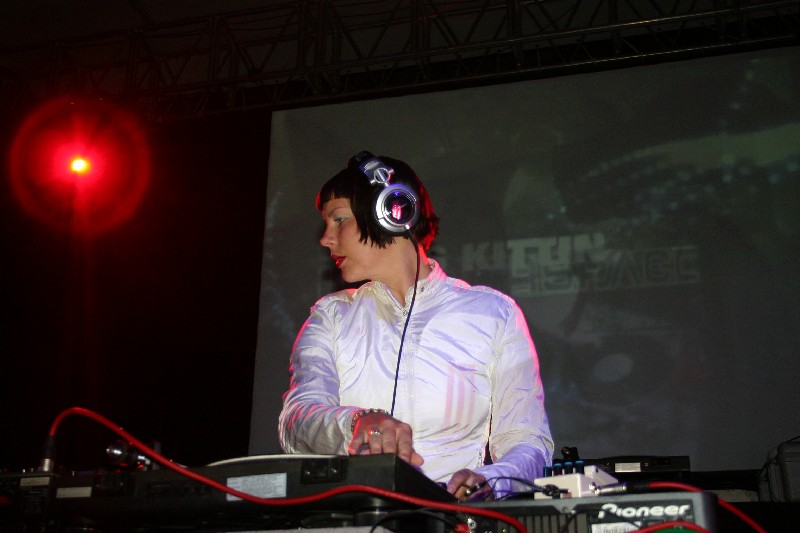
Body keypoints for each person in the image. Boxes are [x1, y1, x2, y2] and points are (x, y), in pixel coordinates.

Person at [278, 152, 553, 500]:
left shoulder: (494, 313)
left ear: (393, 211)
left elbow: (528, 441)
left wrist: (491, 480)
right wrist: (356, 422)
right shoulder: (330, 316)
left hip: (454, 517)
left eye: (339, 219)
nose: (326, 238)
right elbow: (297, 420)